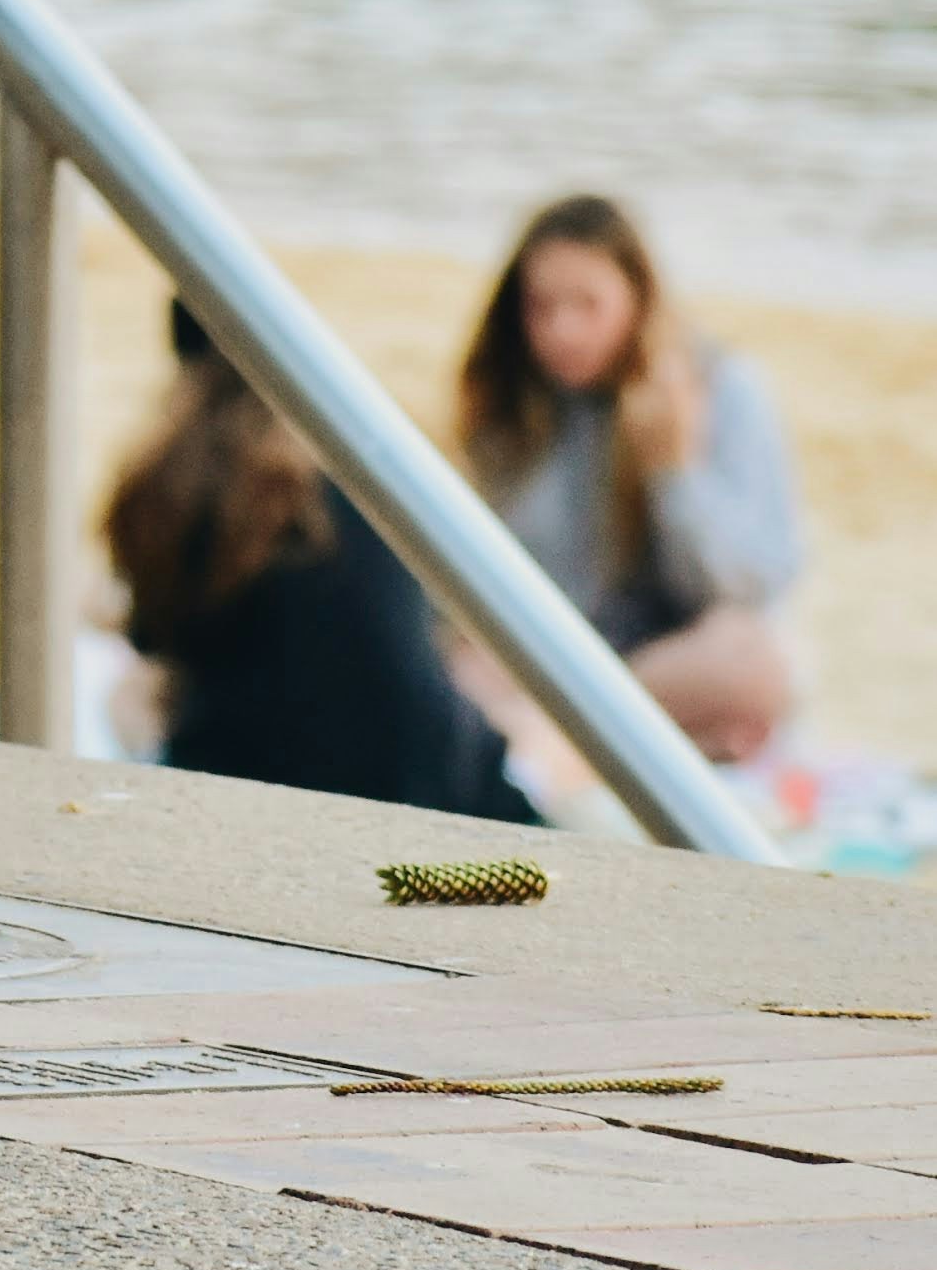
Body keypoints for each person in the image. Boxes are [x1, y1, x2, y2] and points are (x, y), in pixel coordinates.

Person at [105, 306, 538, 823]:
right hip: (441, 783)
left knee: (123, 698)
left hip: (266, 785)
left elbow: (153, 637)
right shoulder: (359, 468)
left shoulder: (187, 478)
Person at [452, 196, 802, 770]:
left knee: (756, 663)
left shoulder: (721, 387)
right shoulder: (512, 399)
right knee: (453, 665)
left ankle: (574, 740)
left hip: (666, 662)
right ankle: (596, 744)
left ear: (638, 298)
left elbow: (753, 586)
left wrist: (675, 473)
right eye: (541, 306)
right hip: (551, 656)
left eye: (587, 304)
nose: (563, 329)